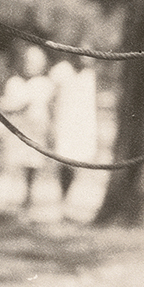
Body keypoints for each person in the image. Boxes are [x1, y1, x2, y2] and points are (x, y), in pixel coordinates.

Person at [0, 44, 54, 210]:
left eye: (36, 62)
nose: (31, 66)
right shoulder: (14, 82)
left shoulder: (45, 83)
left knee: (32, 165)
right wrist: (19, 106)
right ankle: (2, 201)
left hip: (36, 130)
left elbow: (49, 106)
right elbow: (5, 105)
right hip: (17, 129)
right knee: (11, 165)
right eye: (28, 61)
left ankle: (27, 199)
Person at [48, 57, 98, 208]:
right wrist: (52, 122)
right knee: (63, 161)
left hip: (81, 125)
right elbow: (51, 99)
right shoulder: (61, 70)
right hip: (64, 121)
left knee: (78, 160)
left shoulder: (89, 74)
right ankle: (62, 198)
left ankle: (68, 199)